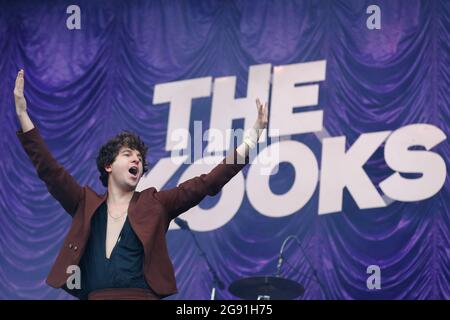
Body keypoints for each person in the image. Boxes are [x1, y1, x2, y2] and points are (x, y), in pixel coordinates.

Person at [13, 69, 268, 300]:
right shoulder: (85, 203)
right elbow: (50, 171)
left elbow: (208, 182)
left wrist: (253, 136)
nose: (136, 158)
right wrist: (23, 115)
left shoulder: (156, 203)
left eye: (139, 158)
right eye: (127, 154)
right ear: (108, 166)